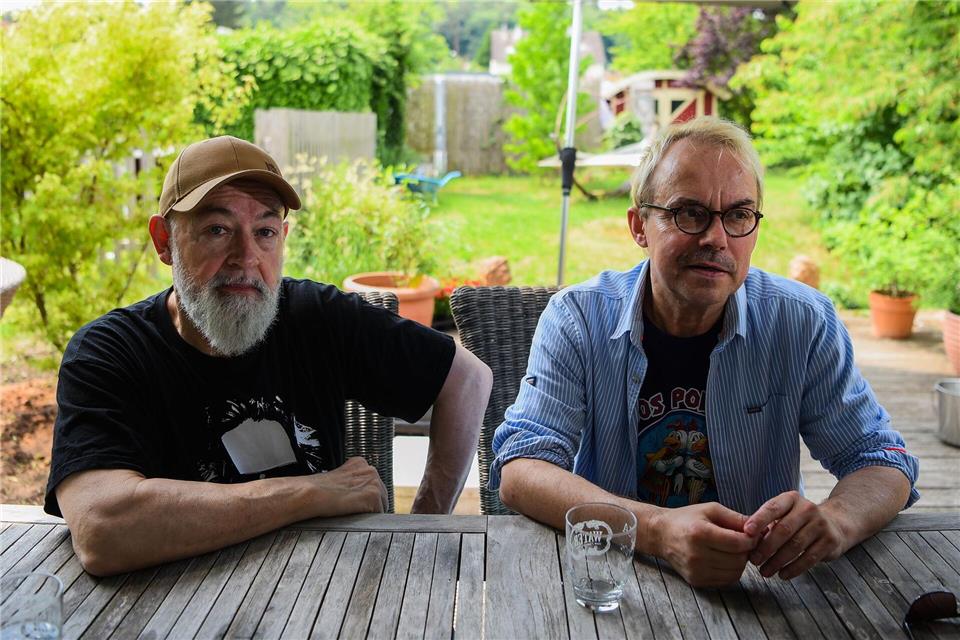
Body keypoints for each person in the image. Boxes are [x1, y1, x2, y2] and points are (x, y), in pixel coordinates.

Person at [490, 117, 919, 588]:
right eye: (689, 213)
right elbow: (522, 468)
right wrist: (656, 530)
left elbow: (882, 458)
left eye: (738, 214)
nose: (717, 238)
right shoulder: (578, 318)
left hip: (759, 587)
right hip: (614, 579)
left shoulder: (802, 322)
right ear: (640, 226)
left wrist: (838, 519)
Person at [45, 136, 492, 577]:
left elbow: (467, 378)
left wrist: (425, 524)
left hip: (324, 590)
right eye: (217, 230)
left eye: (265, 232)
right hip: (171, 604)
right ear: (165, 241)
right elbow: (101, 527)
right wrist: (309, 494)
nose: (246, 257)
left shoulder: (315, 317)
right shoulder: (109, 352)